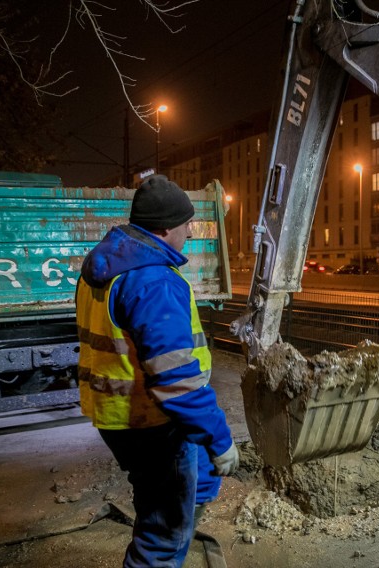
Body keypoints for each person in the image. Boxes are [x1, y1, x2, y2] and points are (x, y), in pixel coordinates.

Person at [75, 174, 239, 567]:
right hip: (152, 422)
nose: (190, 232)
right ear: (166, 228)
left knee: (199, 483)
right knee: (161, 536)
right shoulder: (153, 281)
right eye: (187, 225)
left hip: (119, 417)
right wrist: (219, 437)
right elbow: (176, 379)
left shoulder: (107, 266)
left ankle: (178, 529)